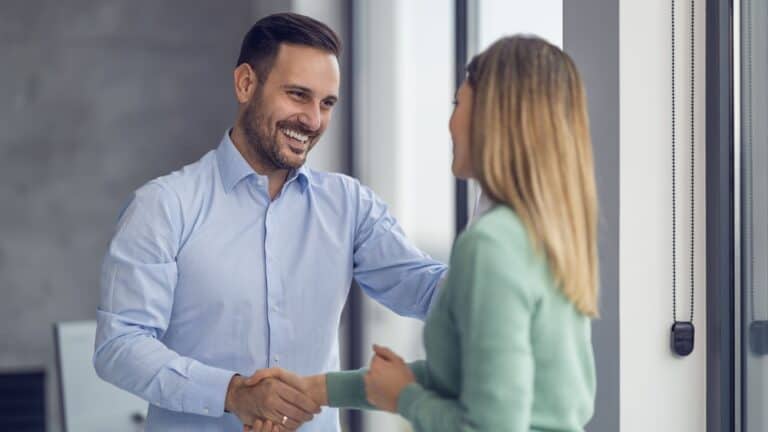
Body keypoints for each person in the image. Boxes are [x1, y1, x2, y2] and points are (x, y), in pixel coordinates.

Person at [93, 12, 447, 432]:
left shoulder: (350, 206)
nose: (313, 120)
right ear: (246, 83)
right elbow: (120, 345)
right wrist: (232, 394)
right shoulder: (164, 206)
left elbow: (427, 291)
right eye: (298, 95)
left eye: (326, 103)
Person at [256, 35, 599, 432]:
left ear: (491, 117)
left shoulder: (491, 246)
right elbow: (468, 377)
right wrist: (318, 390)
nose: (450, 124)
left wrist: (403, 397)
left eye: (457, 104)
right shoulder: (548, 236)